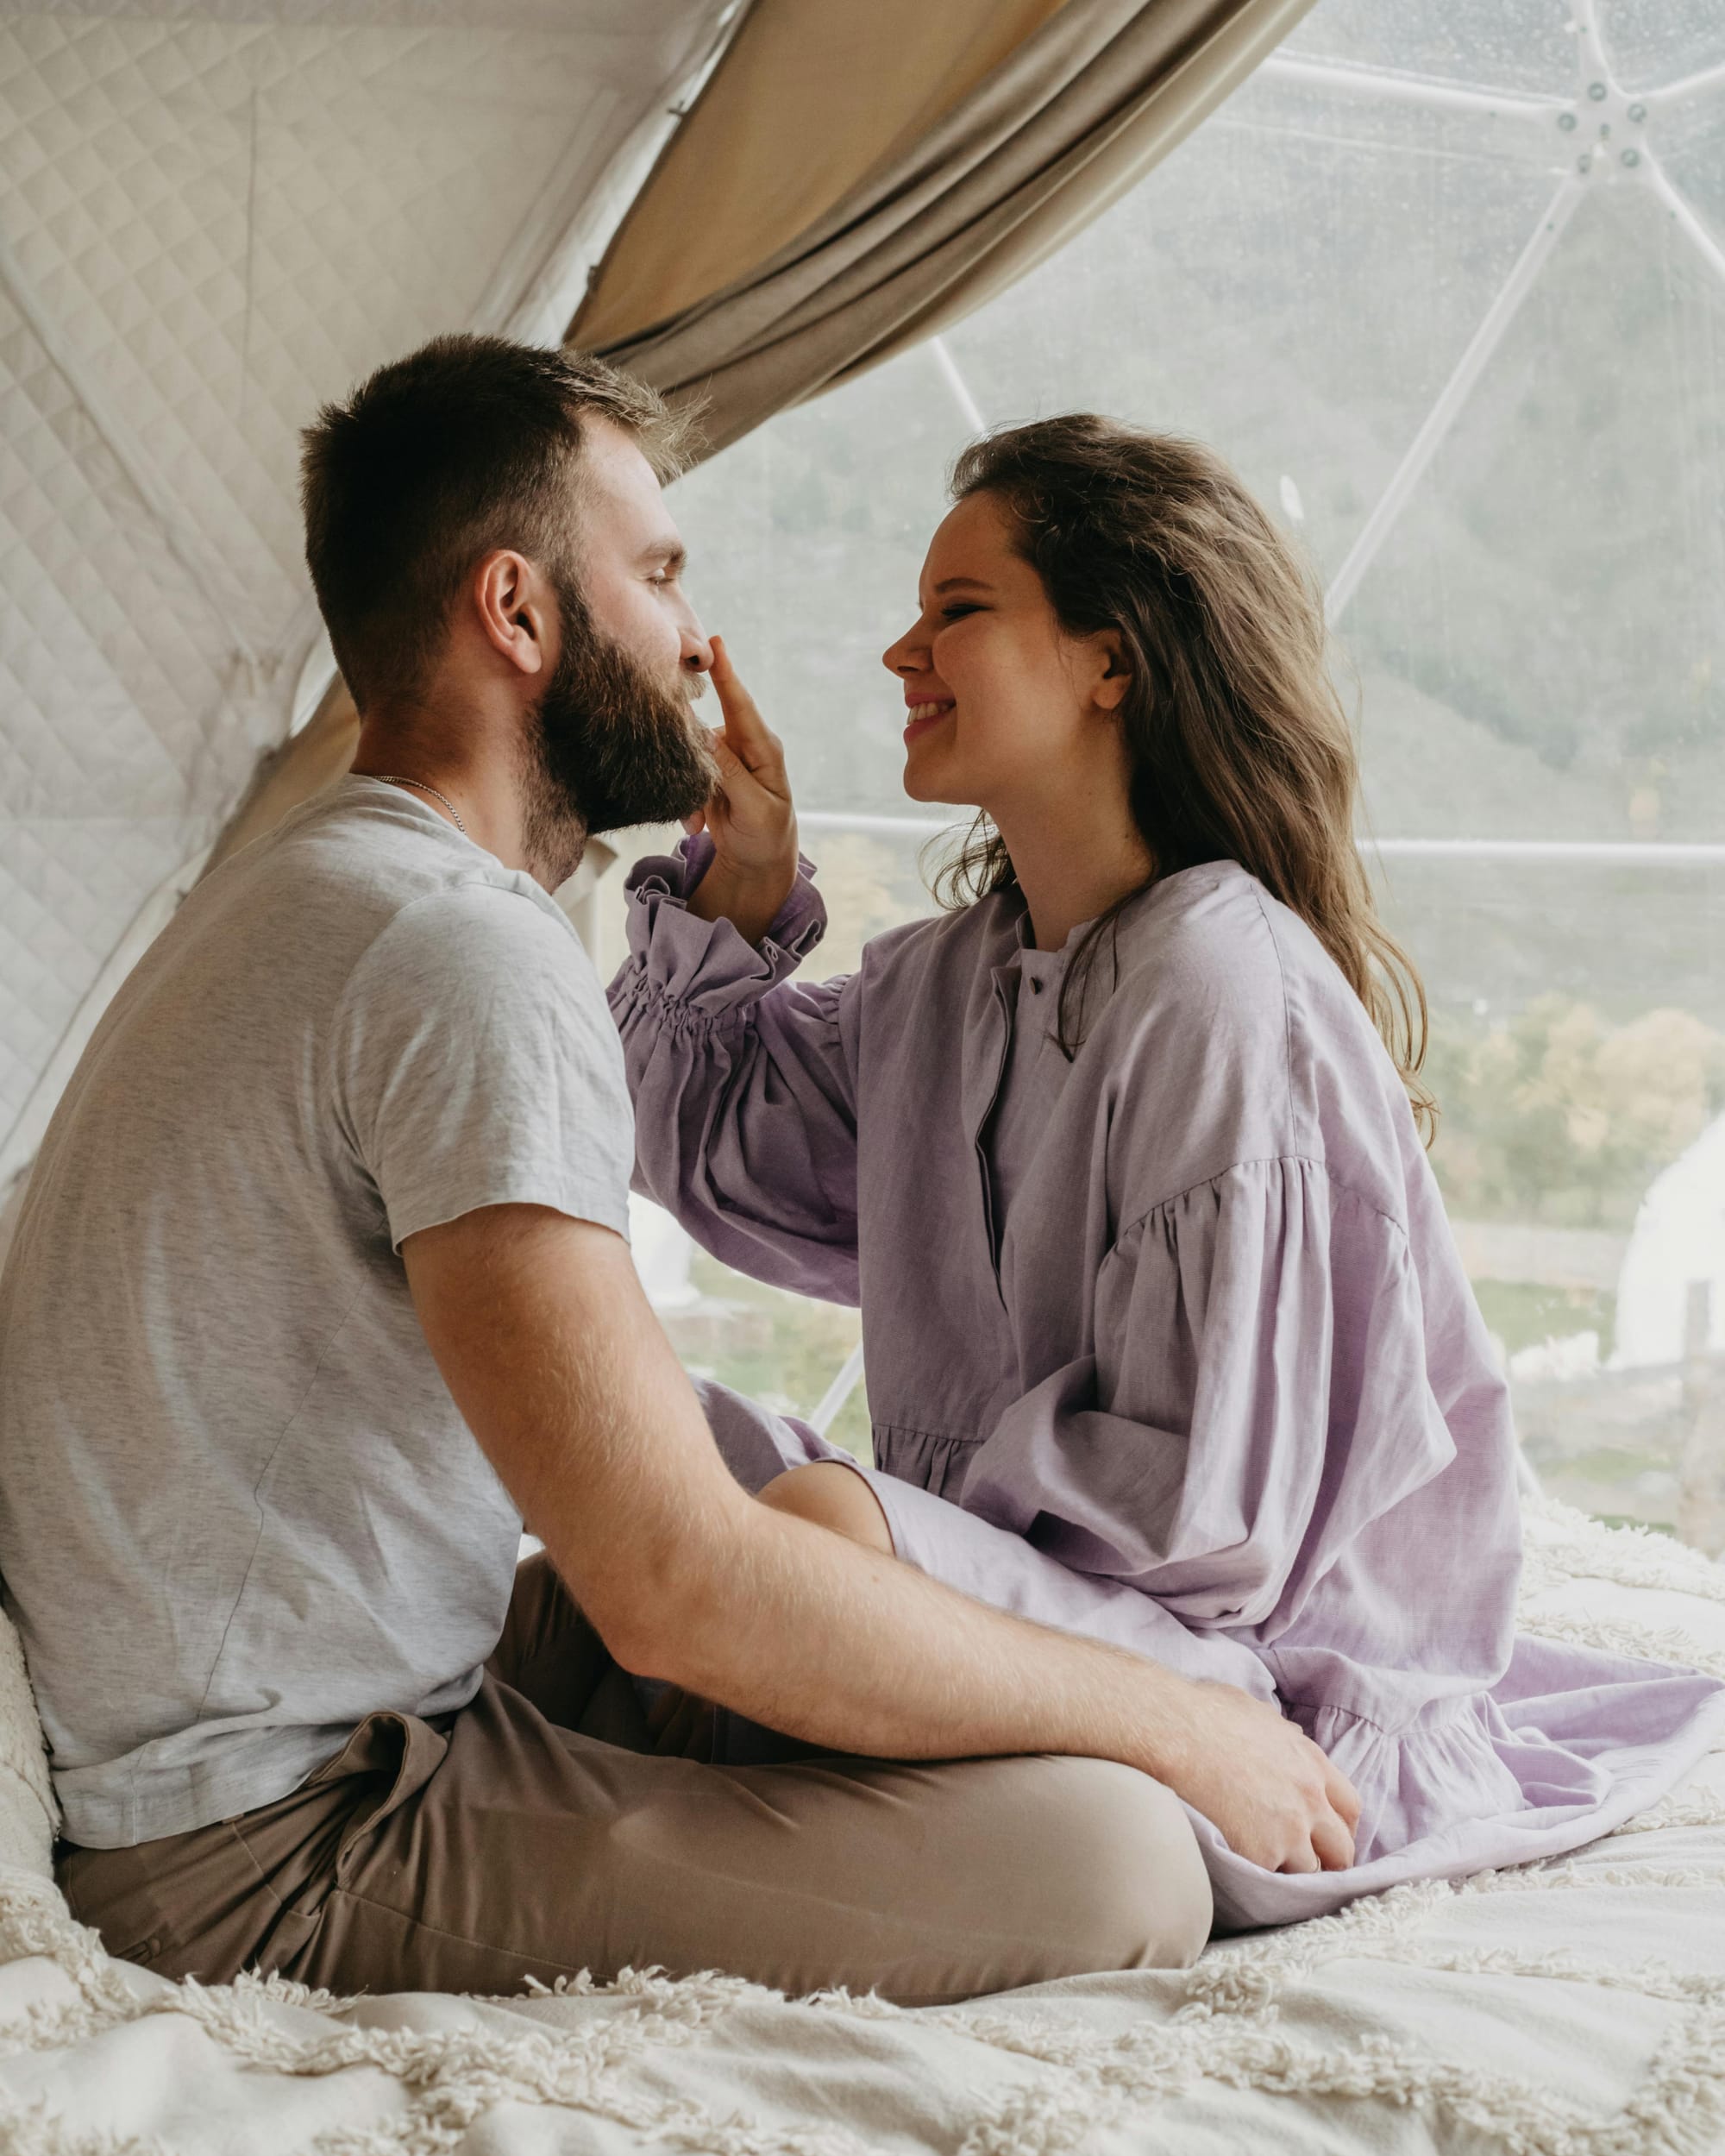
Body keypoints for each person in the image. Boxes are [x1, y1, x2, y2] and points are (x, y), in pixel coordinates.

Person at [0, 341, 1368, 2008]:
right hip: (265, 1832)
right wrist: (1183, 1722)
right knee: (1122, 1858)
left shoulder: (333, 883)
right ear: (518, 613)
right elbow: (674, 1588)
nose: (697, 640)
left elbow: (669, 1558)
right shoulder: (460, 952)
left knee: (825, 1590)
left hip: (309, 1698)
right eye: (655, 575)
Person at [610, 414, 1725, 1931]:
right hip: (1044, 1613)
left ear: (1110, 660)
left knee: (798, 1537)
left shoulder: (1219, 985)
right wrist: (743, 885)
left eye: (959, 611)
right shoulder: (954, 976)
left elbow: (1198, 1532)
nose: (898, 654)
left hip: (1248, 1685)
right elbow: (710, 1153)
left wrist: (870, 1550)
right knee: (660, 1449)